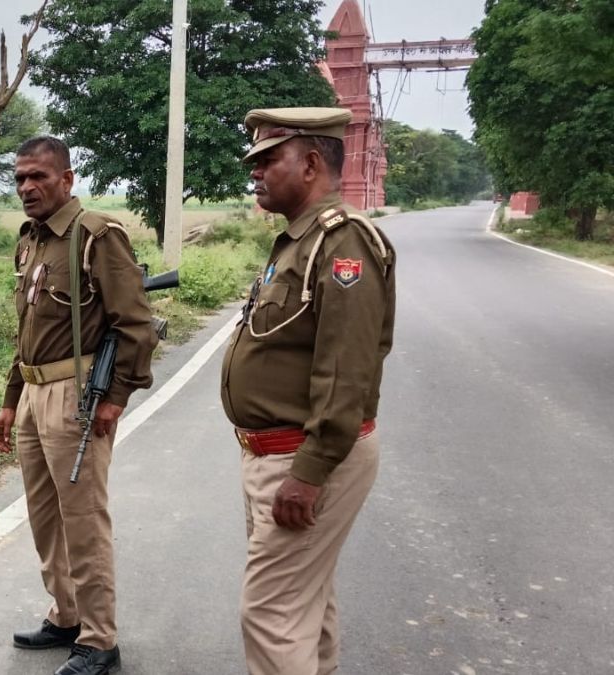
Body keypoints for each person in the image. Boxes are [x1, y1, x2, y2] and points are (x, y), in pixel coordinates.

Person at [221, 107, 397, 675]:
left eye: (269, 159)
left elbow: (347, 370)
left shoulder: (342, 242)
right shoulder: (297, 242)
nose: (256, 172)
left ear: (312, 163)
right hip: (277, 453)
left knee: (271, 612)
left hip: (304, 455)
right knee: (304, 602)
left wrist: (309, 472)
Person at [0, 136, 157, 675]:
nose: (27, 188)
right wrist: (11, 400)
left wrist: (115, 399)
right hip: (34, 395)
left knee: (82, 520)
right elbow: (27, 331)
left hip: (75, 396)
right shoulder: (30, 241)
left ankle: (99, 637)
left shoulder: (95, 236)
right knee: (44, 519)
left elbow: (134, 325)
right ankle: (64, 616)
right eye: (19, 179)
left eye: (38, 176)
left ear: (67, 179)